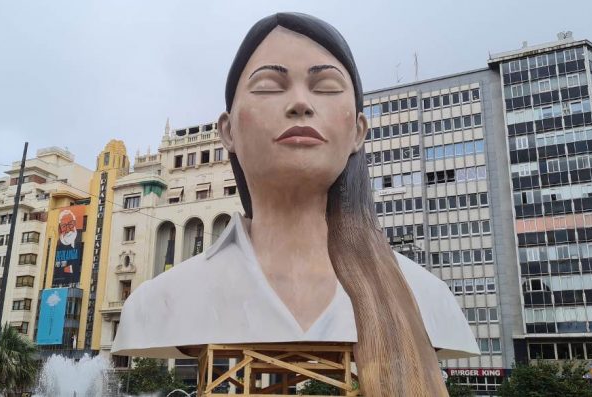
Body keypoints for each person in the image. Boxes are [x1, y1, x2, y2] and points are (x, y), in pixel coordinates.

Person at [112, 12, 478, 396]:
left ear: (358, 132)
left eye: (325, 86)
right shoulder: (160, 302)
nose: (300, 103)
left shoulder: (424, 299)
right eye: (270, 85)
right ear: (228, 131)